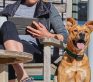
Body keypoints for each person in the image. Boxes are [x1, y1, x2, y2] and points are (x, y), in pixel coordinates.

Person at [0, 0, 68, 82]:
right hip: (7, 47)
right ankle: (23, 76)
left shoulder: (47, 8)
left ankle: (20, 75)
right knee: (7, 25)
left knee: (5, 51)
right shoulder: (10, 9)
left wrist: (48, 35)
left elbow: (65, 36)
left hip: (33, 51)